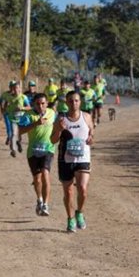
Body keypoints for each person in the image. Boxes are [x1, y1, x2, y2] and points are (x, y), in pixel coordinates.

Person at [51, 90, 94, 233]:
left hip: (83, 158)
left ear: (80, 102)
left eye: (76, 100)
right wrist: (59, 130)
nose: (73, 103)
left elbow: (91, 132)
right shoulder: (61, 118)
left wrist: (91, 138)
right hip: (65, 159)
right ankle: (70, 218)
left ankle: (79, 212)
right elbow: (53, 140)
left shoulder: (86, 116)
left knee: (82, 189)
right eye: (70, 101)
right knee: (68, 192)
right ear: (66, 102)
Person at [18, 93, 56, 216]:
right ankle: (39, 200)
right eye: (38, 104)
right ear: (33, 104)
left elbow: (57, 127)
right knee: (37, 179)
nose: (40, 106)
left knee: (45, 174)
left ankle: (45, 205)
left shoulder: (52, 113)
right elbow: (20, 130)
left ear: (47, 103)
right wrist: (36, 123)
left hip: (48, 149)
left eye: (43, 103)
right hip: (33, 151)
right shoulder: (28, 115)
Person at [1, 81, 29, 156]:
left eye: (17, 88)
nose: (15, 89)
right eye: (14, 88)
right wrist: (4, 110)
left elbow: (29, 107)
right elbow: (5, 104)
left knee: (19, 134)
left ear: (19, 89)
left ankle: (19, 142)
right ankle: (13, 150)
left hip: (21, 119)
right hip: (13, 118)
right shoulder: (9, 97)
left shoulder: (23, 97)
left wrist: (22, 108)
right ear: (12, 89)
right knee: (13, 133)